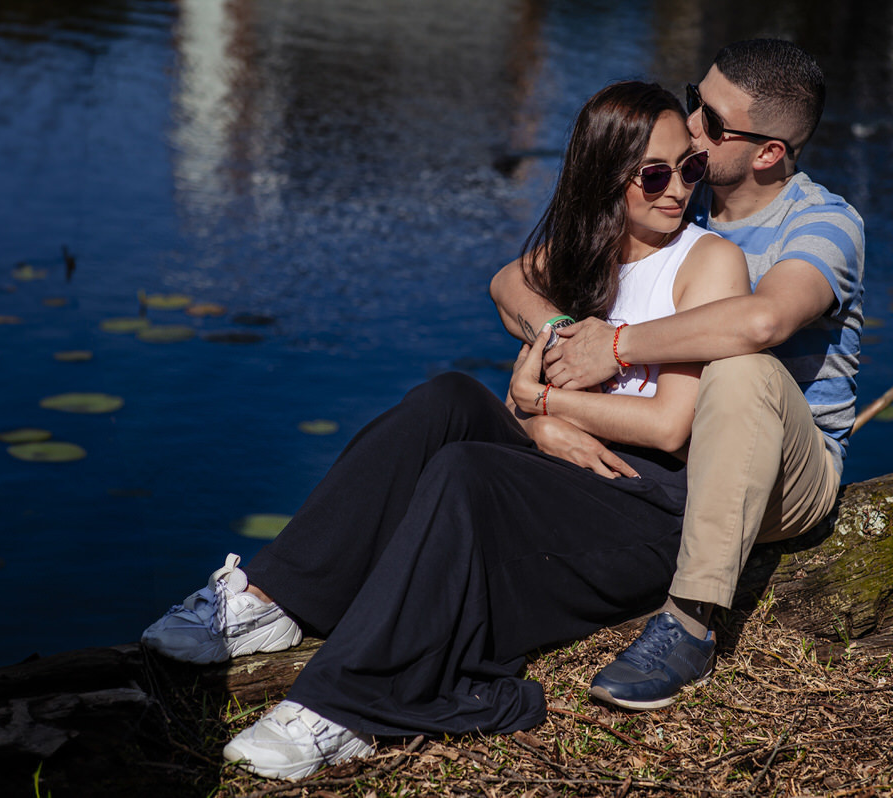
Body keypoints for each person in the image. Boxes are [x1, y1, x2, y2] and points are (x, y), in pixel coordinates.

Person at [141, 80, 749, 781]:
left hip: (644, 502)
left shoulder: (707, 261)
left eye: (690, 168)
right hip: (567, 468)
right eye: (655, 174)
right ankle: (274, 600)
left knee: (469, 469)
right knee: (447, 399)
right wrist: (556, 339)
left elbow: (670, 428)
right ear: (605, 176)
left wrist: (544, 406)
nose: (679, 189)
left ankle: (350, 704)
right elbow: (507, 282)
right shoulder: (593, 249)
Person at [491, 39, 865, 710]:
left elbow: (763, 321)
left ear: (768, 153)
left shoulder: (824, 224)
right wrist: (560, 343)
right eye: (696, 99)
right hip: (666, 461)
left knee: (741, 370)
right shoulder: (678, 193)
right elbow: (513, 279)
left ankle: (690, 624)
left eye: (712, 122)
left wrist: (617, 347)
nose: (691, 126)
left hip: (785, 476)